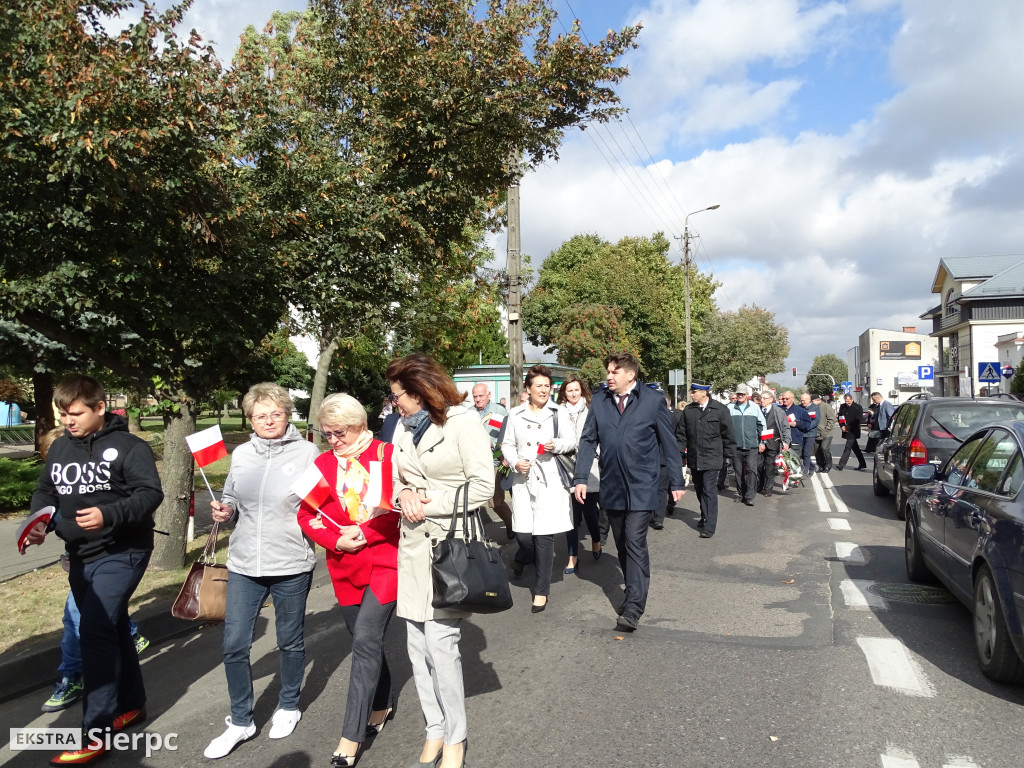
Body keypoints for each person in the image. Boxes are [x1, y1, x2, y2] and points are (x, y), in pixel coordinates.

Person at [24, 374, 163, 766]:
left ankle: (96, 733)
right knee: (112, 627)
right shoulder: (62, 449)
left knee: (96, 630)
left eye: (77, 413)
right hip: (81, 555)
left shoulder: (129, 447)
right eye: (64, 413)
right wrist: (38, 521)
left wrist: (108, 514)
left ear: (100, 407)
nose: (69, 421)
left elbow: (151, 493)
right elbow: (46, 492)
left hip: (124, 551)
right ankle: (132, 705)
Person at [387, 353, 492, 768]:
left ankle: (455, 736)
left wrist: (428, 504)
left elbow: (484, 485)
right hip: (412, 546)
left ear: (419, 392)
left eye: (398, 396)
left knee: (441, 645)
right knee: (416, 647)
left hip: (451, 544)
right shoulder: (400, 427)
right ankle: (433, 728)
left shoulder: (463, 423)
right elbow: (395, 479)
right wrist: (403, 496)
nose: (393, 402)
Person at [204, 383, 319, 760]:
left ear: (287, 415)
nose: (268, 421)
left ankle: (288, 705)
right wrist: (226, 511)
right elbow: (233, 498)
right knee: (234, 644)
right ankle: (241, 720)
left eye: (276, 414)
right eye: (260, 416)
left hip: (290, 562)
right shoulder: (241, 455)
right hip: (243, 563)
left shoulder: (307, 453)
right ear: (250, 419)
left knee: (289, 640)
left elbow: (321, 504)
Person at [295, 394, 400, 767]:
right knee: (365, 640)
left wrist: (366, 535)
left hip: (386, 562)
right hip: (343, 565)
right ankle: (382, 701)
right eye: (327, 434)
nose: (333, 441)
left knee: (366, 641)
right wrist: (333, 539)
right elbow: (307, 515)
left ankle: (350, 737)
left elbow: (393, 510)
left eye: (339, 433)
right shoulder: (322, 463)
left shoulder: (386, 456)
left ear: (358, 425)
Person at [573, 352, 685, 632]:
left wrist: (677, 481)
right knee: (622, 544)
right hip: (613, 486)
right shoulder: (599, 401)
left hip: (643, 485)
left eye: (614, 372)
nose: (609, 376)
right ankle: (635, 588)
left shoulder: (651, 400)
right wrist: (581, 477)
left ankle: (634, 607)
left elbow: (668, 443)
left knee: (635, 542)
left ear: (630, 375)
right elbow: (588, 440)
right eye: (608, 371)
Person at [502, 365, 575, 610]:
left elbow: (571, 441)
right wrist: (514, 462)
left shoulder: (559, 412)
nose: (544, 390)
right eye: (539, 386)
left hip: (550, 480)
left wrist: (556, 444)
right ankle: (527, 558)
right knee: (523, 535)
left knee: (544, 535)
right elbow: (508, 444)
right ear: (528, 389)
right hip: (523, 480)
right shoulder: (515, 414)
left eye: (547, 386)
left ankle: (541, 590)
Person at [556, 374, 602, 572]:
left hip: (590, 467)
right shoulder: (558, 412)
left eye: (576, 390)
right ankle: (572, 556)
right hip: (567, 467)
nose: (574, 393)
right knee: (571, 517)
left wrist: (596, 453)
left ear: (582, 391)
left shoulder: (592, 409)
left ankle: (596, 537)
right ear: (564, 393)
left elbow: (600, 435)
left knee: (591, 513)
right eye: (569, 390)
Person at [678, 380, 735, 538]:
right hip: (695, 458)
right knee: (699, 489)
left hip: (712, 457)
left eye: (694, 391)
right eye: (692, 391)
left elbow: (728, 434)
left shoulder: (720, 410)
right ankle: (704, 515)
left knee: (709, 490)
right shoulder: (689, 411)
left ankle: (710, 525)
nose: (691, 394)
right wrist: (680, 453)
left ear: (704, 392)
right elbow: (681, 435)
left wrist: (728, 456)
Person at [471, 382, 513, 539]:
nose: (478, 399)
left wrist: (493, 445)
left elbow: (507, 435)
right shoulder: (469, 413)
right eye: (475, 396)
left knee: (495, 502)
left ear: (488, 396)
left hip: (495, 461)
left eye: (481, 396)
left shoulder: (499, 411)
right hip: (475, 463)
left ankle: (510, 524)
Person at [726, 384, 766, 506]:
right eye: (738, 394)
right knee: (738, 472)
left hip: (752, 445)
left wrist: (763, 442)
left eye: (742, 394)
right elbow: (725, 427)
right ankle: (741, 494)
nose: (740, 396)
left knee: (751, 471)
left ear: (747, 395)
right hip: (736, 445)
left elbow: (763, 426)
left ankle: (750, 495)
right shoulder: (730, 408)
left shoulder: (754, 407)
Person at [652, 392, 683, 529]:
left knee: (661, 489)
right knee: (657, 489)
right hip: (653, 459)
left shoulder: (674, 417)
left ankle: (658, 518)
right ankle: (657, 516)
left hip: (663, 457)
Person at [757, 391, 791, 497]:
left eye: (764, 398)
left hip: (773, 443)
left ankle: (768, 488)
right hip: (759, 443)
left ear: (771, 399)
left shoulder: (778, 411)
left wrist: (786, 441)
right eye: (761, 398)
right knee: (758, 465)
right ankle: (760, 484)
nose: (762, 400)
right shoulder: (757, 410)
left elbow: (785, 427)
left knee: (769, 466)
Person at [778, 391, 812, 471]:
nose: (785, 400)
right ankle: (786, 480)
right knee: (783, 463)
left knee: (794, 462)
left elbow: (807, 424)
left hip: (795, 439)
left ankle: (795, 480)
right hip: (781, 440)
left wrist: (796, 424)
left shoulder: (800, 411)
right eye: (783, 398)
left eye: (787, 398)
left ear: (792, 399)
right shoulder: (778, 410)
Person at [836, 394, 867, 470]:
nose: (847, 403)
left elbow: (858, 420)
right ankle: (862, 464)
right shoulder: (843, 406)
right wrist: (842, 425)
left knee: (848, 447)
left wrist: (847, 427)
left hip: (853, 430)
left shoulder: (858, 407)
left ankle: (841, 464)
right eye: (846, 401)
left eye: (848, 401)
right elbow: (840, 417)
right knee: (855, 448)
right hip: (846, 430)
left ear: (852, 399)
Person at [812, 393, 836, 473]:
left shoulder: (826, 406)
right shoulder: (812, 408)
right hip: (816, 432)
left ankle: (828, 465)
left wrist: (826, 429)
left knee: (824, 448)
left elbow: (832, 419)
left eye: (812, 401)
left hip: (827, 432)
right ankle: (820, 465)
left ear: (816, 400)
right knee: (816, 450)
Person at [798, 393, 819, 476]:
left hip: (810, 433)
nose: (802, 402)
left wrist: (807, 427)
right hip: (801, 433)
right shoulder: (799, 407)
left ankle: (805, 471)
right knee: (802, 453)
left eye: (804, 400)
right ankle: (812, 466)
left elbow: (816, 421)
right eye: (801, 400)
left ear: (809, 400)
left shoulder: (815, 407)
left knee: (807, 453)